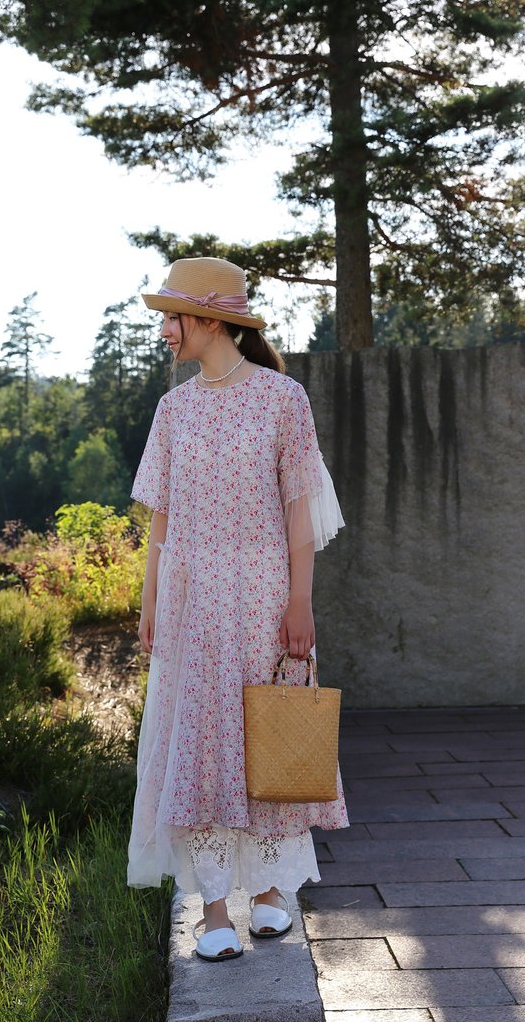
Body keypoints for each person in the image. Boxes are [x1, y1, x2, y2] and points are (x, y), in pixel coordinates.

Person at [127, 256, 348, 962]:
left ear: (211, 320)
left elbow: (299, 512)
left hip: (263, 598)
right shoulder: (173, 409)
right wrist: (151, 594)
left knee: (266, 737)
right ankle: (214, 906)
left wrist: (300, 602)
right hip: (195, 604)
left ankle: (270, 893)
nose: (165, 329)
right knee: (203, 745)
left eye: (173, 315)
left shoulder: (283, 399)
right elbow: (162, 517)